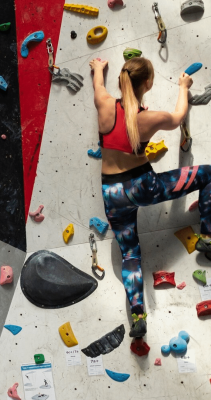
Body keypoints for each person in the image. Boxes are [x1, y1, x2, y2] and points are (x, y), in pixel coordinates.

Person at [90, 56, 211, 338]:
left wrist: (98, 69)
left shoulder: (105, 103)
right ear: (148, 83)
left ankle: (138, 316)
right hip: (143, 187)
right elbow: (179, 116)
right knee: (207, 175)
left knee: (130, 254)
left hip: (113, 193)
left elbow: (97, 84)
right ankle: (208, 235)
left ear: (122, 79)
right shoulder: (148, 118)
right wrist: (183, 85)